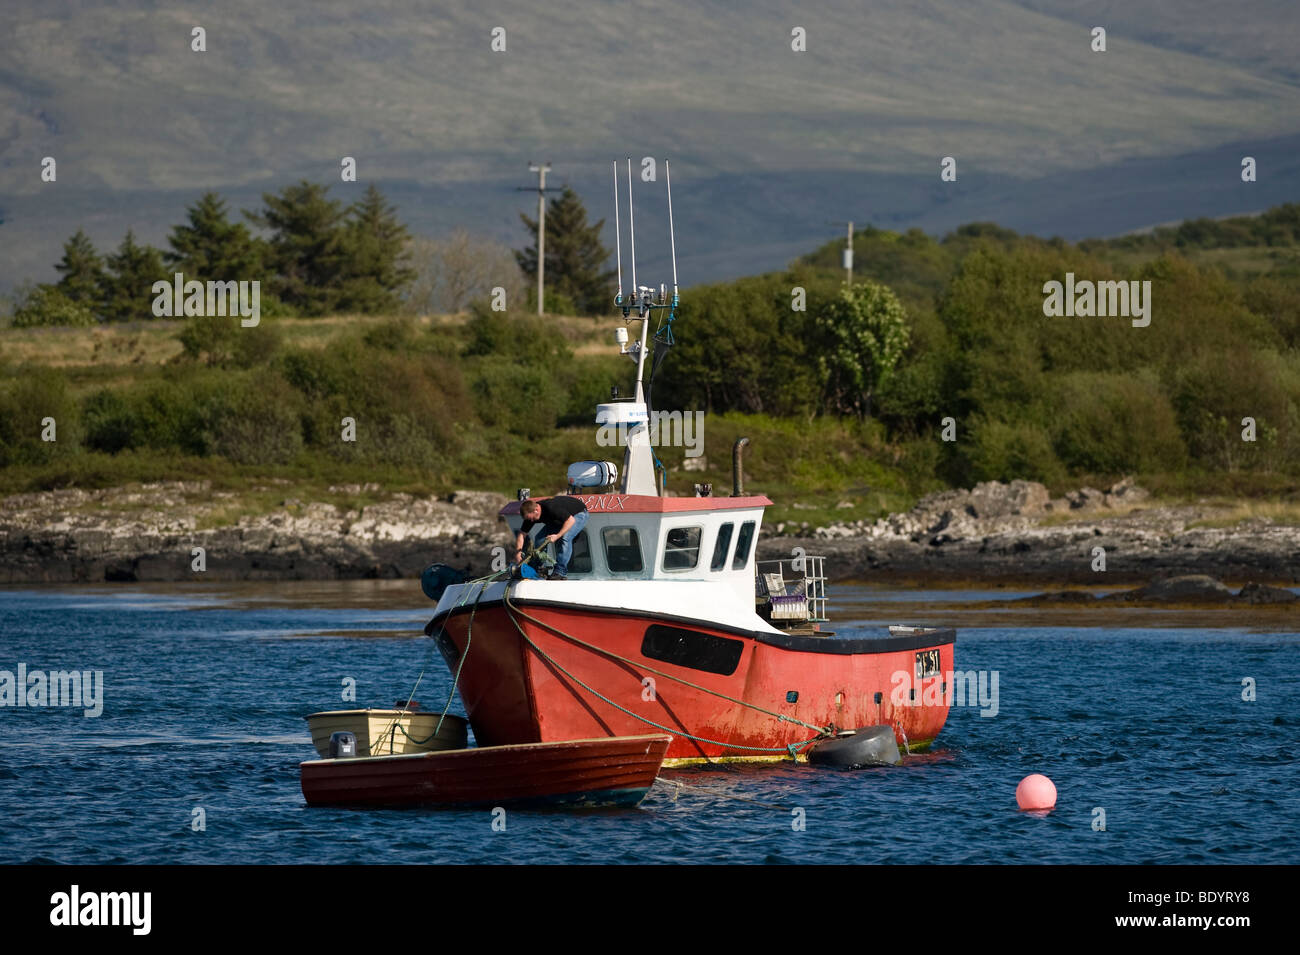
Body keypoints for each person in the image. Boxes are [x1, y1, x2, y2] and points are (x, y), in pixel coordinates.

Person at [515, 496, 588, 580]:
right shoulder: (531, 515)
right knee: (539, 538)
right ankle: (539, 569)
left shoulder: (551, 507)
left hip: (578, 514)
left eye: (531, 518)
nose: (531, 521)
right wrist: (518, 552)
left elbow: (570, 521)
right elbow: (521, 534)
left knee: (565, 538)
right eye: (529, 519)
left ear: (536, 510)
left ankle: (560, 572)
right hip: (560, 520)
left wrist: (557, 536)